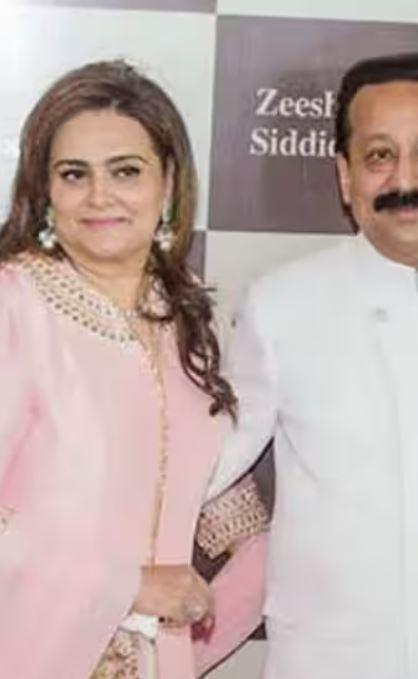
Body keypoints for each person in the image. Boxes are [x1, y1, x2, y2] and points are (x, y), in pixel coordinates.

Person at [206, 52, 418, 679]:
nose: (406, 179)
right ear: (345, 176)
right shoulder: (281, 303)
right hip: (325, 659)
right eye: (379, 156)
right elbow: (204, 462)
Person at [0, 60, 266, 679]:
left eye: (126, 171)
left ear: (168, 183)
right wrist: (127, 587)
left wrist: (254, 571)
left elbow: (208, 487)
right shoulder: (15, 306)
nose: (101, 196)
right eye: (74, 174)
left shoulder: (187, 322)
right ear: (44, 191)